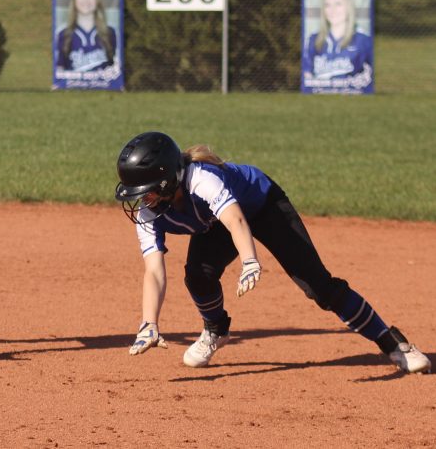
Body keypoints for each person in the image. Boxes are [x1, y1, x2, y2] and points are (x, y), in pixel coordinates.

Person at [115, 131, 431, 374]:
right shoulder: (148, 214)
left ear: (170, 180)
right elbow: (154, 270)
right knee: (198, 276)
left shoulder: (202, 179)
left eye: (147, 191)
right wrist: (149, 322)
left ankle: (393, 342)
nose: (142, 201)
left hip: (263, 206)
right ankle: (215, 331)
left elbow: (236, 218)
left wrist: (250, 260)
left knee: (318, 285)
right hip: (217, 223)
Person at [301, 0, 373, 90]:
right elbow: (307, 77)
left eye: (338, 4)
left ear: (348, 6)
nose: (332, 10)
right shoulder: (313, 40)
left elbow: (370, 79)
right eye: (327, 5)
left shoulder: (363, 40)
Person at [55, 0, 117, 72]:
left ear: (98, 1)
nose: (86, 0)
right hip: (73, 86)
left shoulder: (110, 32)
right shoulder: (63, 34)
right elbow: (60, 71)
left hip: (103, 86)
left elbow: (116, 69)